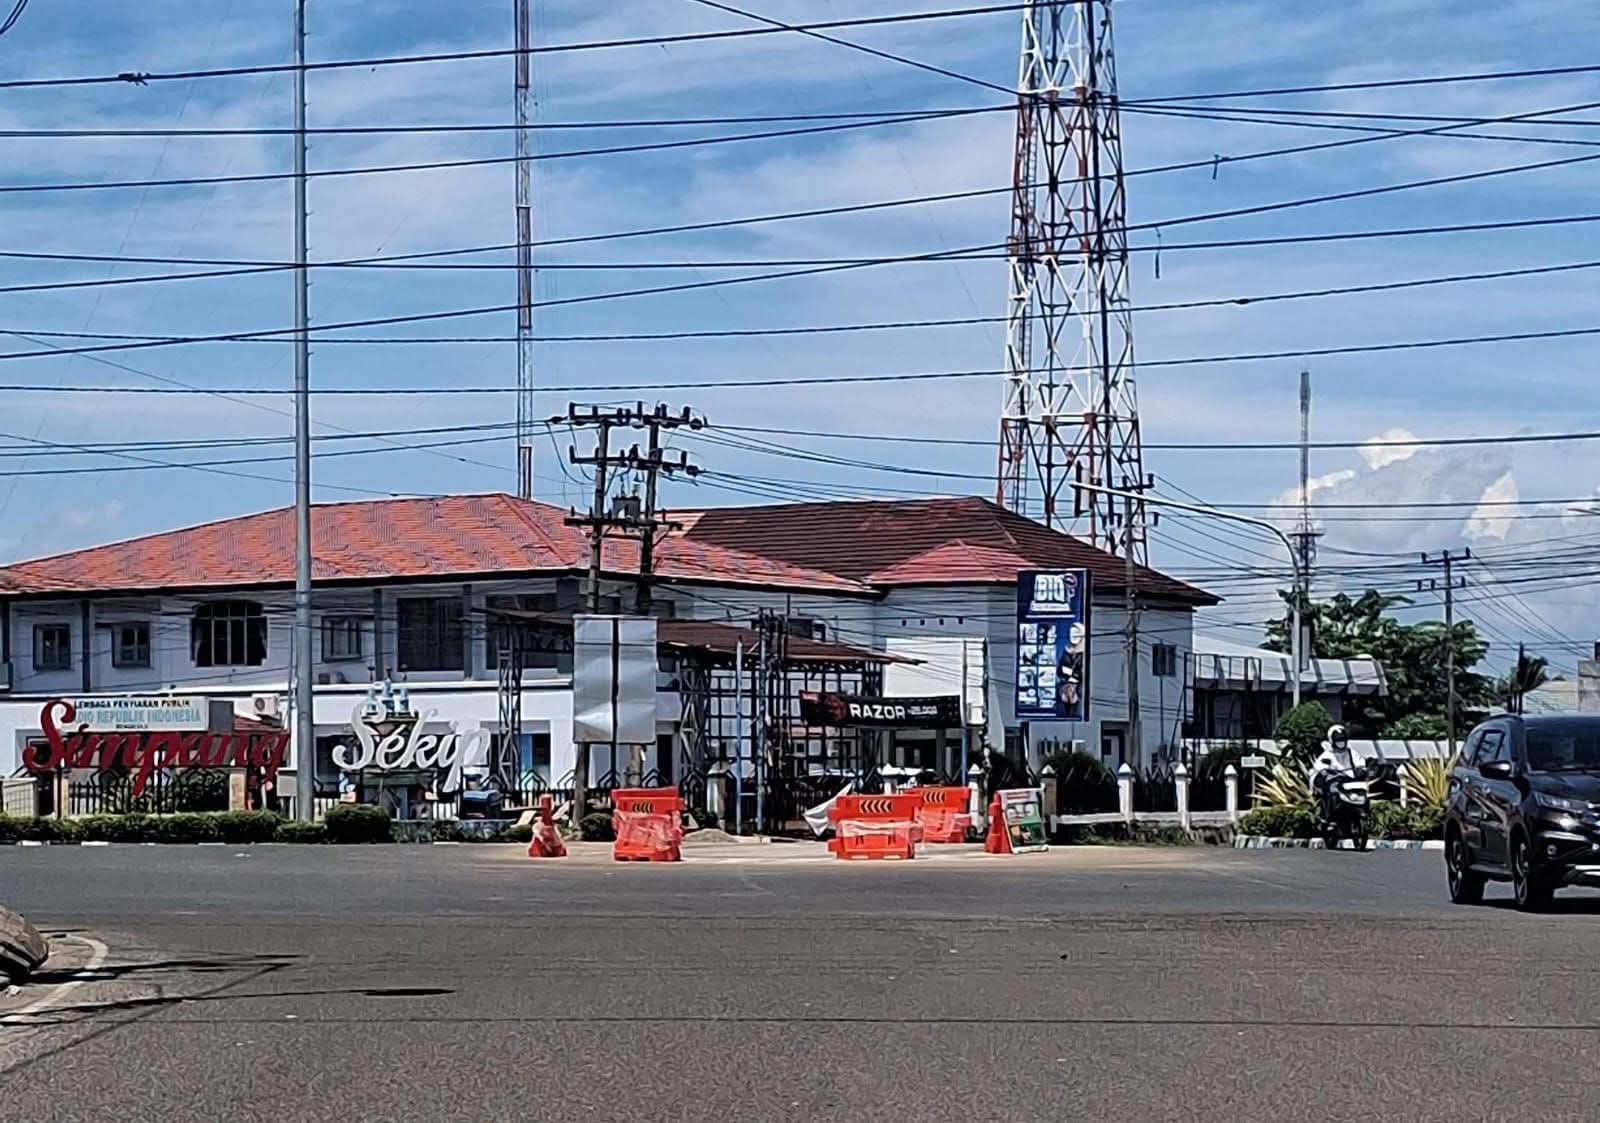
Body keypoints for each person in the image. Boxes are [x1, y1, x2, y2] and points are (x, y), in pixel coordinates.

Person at [1310, 723, 1357, 822]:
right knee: (1334, 793)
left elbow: (1360, 762)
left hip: (1350, 780)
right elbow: (1319, 767)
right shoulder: (1328, 754)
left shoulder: (1351, 752)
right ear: (1332, 741)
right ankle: (1331, 819)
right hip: (1333, 781)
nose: (1341, 742)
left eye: (1343, 740)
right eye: (1338, 740)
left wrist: (1363, 768)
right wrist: (1324, 771)